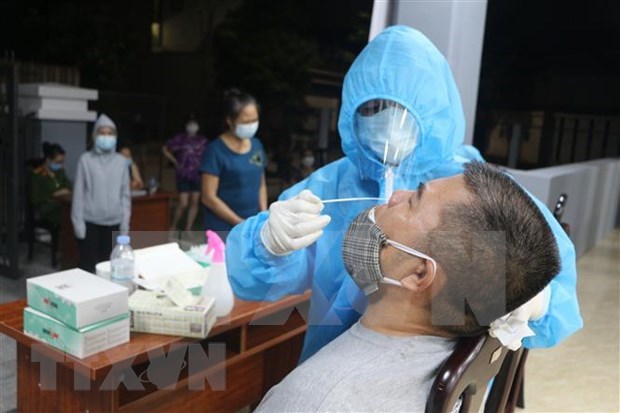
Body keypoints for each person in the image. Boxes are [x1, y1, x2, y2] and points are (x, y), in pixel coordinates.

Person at [226, 25, 582, 364]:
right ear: (351, 112)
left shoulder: (471, 187)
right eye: (371, 109)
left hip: (429, 375)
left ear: (433, 111)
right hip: (340, 363)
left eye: (401, 109)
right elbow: (252, 282)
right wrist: (267, 244)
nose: (386, 121)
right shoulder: (330, 186)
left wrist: (533, 298)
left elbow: (550, 283)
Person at [256, 162, 560, 412]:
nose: (395, 195)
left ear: (418, 273)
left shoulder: (314, 400)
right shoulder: (469, 331)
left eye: (414, 199)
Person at [200, 89, 268, 232]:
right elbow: (208, 198)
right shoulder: (215, 151)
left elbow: (261, 184)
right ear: (229, 121)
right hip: (222, 226)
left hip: (252, 223)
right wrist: (239, 223)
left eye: (255, 120)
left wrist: (263, 213)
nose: (251, 125)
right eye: (245, 121)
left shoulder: (257, 145)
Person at [72, 114, 131, 273]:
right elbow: (78, 194)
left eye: (110, 133)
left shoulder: (121, 162)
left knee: (110, 268)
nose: (106, 137)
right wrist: (78, 224)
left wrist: (124, 224)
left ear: (116, 136)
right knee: (87, 268)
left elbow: (125, 195)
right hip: (91, 223)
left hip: (114, 223)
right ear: (95, 135)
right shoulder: (86, 160)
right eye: (102, 133)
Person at [163, 114, 208, 231]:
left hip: (197, 175)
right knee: (183, 203)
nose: (192, 126)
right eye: (190, 124)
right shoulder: (179, 139)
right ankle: (173, 226)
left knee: (194, 202)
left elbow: (208, 155)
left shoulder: (202, 141)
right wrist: (175, 161)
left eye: (194, 124)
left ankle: (188, 228)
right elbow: (165, 149)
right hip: (183, 174)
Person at [30, 142, 72, 229]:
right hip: (47, 209)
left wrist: (60, 193)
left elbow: (69, 186)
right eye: (58, 162)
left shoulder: (60, 172)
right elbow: (35, 199)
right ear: (48, 160)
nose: (61, 165)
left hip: (62, 205)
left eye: (62, 162)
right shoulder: (38, 174)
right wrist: (52, 195)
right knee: (68, 217)